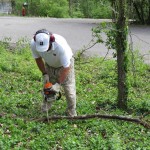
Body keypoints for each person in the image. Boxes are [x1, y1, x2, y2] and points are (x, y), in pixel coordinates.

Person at [30, 29, 77, 117]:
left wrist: (58, 84)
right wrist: (44, 73)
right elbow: (38, 59)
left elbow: (67, 67)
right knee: (49, 88)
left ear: (51, 41)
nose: (44, 51)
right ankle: (45, 108)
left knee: (69, 90)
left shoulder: (60, 47)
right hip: (49, 64)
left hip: (65, 65)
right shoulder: (34, 44)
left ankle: (71, 111)